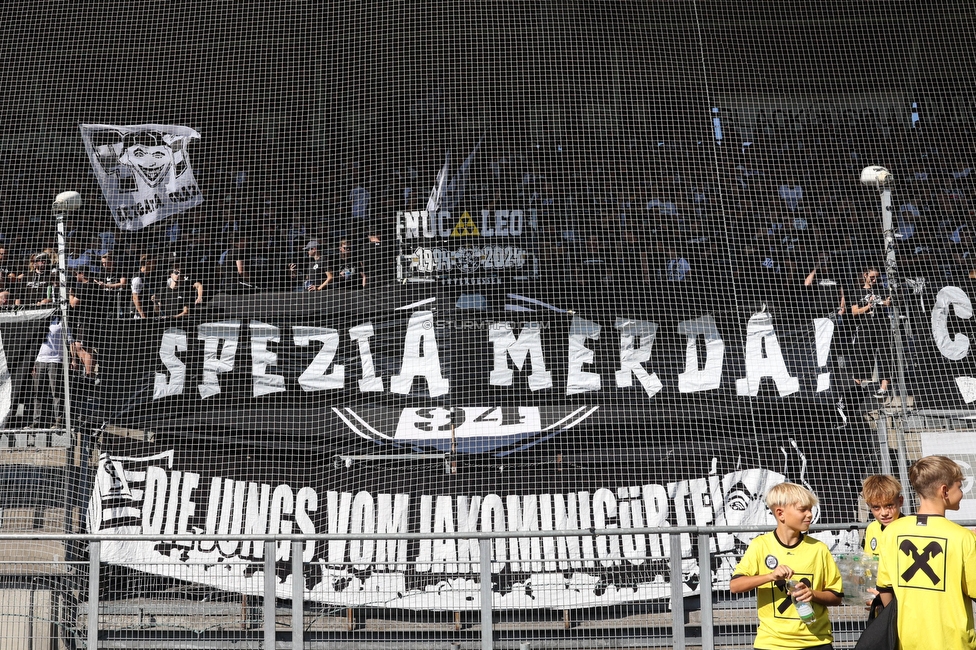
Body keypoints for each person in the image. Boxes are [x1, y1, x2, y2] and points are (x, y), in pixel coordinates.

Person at [875, 456, 976, 649]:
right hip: (953, 643)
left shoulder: (892, 531)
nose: (961, 493)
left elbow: (885, 588)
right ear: (944, 491)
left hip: (906, 641)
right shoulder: (962, 537)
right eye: (959, 487)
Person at [730, 482, 843, 650]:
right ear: (780, 513)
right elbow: (735, 586)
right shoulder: (760, 545)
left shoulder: (819, 549)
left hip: (816, 642)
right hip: (771, 644)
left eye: (810, 509)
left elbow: (836, 596)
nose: (809, 515)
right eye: (802, 509)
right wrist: (770, 576)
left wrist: (812, 594)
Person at [848, 267, 892, 399]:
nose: (874, 280)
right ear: (865, 275)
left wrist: (884, 302)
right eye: (872, 277)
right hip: (865, 327)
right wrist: (868, 306)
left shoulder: (881, 289)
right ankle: (857, 388)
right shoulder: (857, 292)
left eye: (876, 277)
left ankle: (883, 387)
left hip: (881, 327)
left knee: (885, 355)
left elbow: (887, 302)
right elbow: (854, 312)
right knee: (862, 355)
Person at [861, 475, 903, 557]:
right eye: (876, 507)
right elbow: (868, 562)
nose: (884, 513)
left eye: (889, 505)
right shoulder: (872, 528)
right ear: (869, 506)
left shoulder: (910, 529)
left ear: (900, 501)